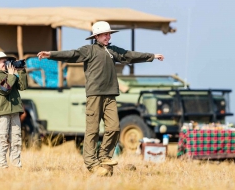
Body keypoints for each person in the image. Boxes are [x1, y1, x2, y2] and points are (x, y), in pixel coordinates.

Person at [37, 21, 164, 176]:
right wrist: (51, 55)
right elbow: (71, 54)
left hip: (110, 95)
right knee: (93, 130)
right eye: (105, 34)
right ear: (96, 36)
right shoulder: (88, 50)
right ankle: (91, 164)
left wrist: (152, 56)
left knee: (114, 128)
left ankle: (104, 157)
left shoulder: (113, 51)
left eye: (109, 34)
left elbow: (129, 56)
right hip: (94, 95)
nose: (108, 36)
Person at [0, 51, 27, 168]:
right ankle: (2, 167)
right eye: (4, 62)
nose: (7, 64)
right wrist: (12, 76)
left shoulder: (10, 74)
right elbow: (5, 89)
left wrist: (21, 70)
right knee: (3, 139)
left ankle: (16, 166)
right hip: (3, 113)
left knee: (16, 140)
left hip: (14, 111)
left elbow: (23, 86)